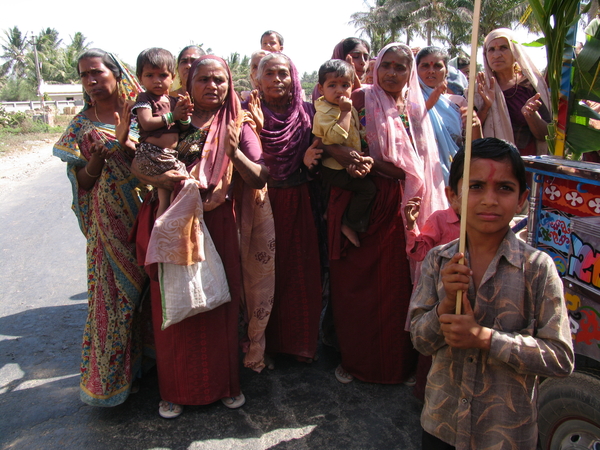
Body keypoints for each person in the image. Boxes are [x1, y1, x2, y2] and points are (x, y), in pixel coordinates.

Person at [410, 138, 574, 450]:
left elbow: (560, 358)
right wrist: (444, 306)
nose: (489, 199)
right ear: (453, 196)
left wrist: (484, 338)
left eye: (504, 188)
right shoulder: (439, 260)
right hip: (442, 425)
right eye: (475, 186)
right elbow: (420, 340)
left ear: (522, 199)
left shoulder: (538, 269)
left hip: (505, 433)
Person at [131, 55, 271, 418]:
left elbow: (259, 176)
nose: (213, 86)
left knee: (220, 302)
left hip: (219, 223)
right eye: (204, 80)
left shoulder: (237, 124)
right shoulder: (174, 120)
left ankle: (225, 384)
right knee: (173, 303)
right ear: (188, 84)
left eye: (221, 80)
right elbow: (140, 164)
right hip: (174, 222)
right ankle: (174, 390)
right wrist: (172, 181)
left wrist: (233, 153)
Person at [326, 43, 447, 385]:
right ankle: (357, 361)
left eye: (401, 68)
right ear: (376, 69)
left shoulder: (413, 107)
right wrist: (371, 164)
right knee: (358, 286)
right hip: (364, 201)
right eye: (387, 66)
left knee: (398, 288)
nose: (393, 74)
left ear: (410, 74)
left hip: (405, 207)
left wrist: (407, 185)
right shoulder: (361, 99)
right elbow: (331, 140)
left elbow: (423, 161)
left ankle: (399, 365)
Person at [53, 49, 149, 407]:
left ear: (116, 73)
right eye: (83, 75)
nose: (90, 81)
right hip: (108, 222)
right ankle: (110, 382)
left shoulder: (141, 112)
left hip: (148, 213)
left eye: (96, 72)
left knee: (150, 295)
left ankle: (148, 366)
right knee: (113, 299)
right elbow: (82, 182)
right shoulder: (81, 125)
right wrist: (96, 158)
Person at [246, 52, 322, 368]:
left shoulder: (306, 112)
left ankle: (300, 344)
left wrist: (306, 165)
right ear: (258, 80)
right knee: (265, 277)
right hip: (263, 203)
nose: (278, 80)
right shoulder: (249, 112)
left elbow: (320, 156)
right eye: (270, 74)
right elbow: (250, 160)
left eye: (283, 73)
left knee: (301, 273)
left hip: (300, 200)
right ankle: (268, 345)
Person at [313, 59, 375, 247]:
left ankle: (333, 214)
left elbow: (357, 131)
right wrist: (345, 113)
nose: (340, 90)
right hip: (333, 168)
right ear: (321, 89)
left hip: (347, 163)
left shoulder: (347, 108)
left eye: (345, 85)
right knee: (368, 189)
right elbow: (334, 139)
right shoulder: (325, 111)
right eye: (332, 85)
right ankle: (349, 223)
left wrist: (364, 151)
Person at [132, 47, 193, 217]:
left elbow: (183, 128)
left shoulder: (174, 100)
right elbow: (147, 123)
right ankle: (166, 228)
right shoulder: (145, 99)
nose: (157, 81)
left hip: (168, 155)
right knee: (181, 182)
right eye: (150, 75)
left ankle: (164, 230)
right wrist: (174, 115)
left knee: (166, 197)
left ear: (173, 77)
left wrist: (185, 115)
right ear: (140, 78)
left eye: (163, 75)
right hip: (152, 153)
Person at [476, 28, 552, 156]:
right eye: (491, 50)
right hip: (491, 160)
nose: (496, 55)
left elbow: (546, 135)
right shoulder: (479, 89)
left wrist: (531, 115)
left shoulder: (531, 85)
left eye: (503, 48)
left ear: (515, 51)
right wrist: (486, 106)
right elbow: (468, 132)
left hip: (525, 162)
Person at [416, 47, 466, 183]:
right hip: (423, 171)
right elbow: (410, 127)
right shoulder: (409, 99)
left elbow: (464, 139)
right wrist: (429, 103)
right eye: (425, 66)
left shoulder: (455, 104)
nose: (431, 71)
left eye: (438, 66)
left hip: (453, 169)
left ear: (447, 72)